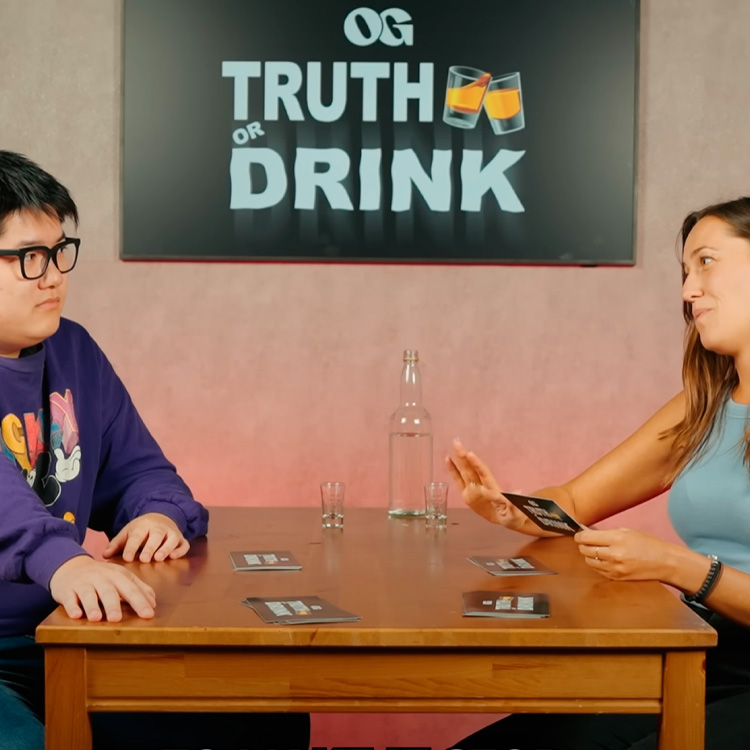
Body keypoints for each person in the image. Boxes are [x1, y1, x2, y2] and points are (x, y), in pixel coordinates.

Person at [0, 151, 310, 750]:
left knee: (267, 715)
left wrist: (158, 515)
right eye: (29, 257)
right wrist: (63, 561)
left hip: (66, 634)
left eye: (60, 252)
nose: (54, 276)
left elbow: (143, 471)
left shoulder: (74, 351)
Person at [445, 196, 750, 750]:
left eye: (706, 262)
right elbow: (573, 500)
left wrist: (681, 567)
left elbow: (685, 568)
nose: (688, 291)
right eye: (685, 273)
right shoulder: (701, 408)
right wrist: (511, 510)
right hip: (705, 649)